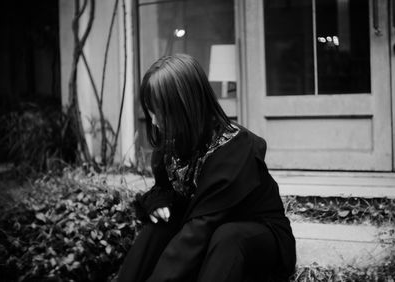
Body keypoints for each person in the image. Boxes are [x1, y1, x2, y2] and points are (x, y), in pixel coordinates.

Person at [117, 54, 296, 282]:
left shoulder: (233, 149)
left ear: (184, 106)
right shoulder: (172, 142)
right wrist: (159, 201)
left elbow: (200, 230)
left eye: (159, 112)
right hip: (206, 236)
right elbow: (165, 190)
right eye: (150, 111)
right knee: (159, 227)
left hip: (255, 236)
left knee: (228, 236)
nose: (153, 121)